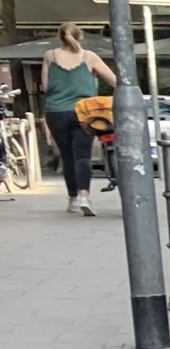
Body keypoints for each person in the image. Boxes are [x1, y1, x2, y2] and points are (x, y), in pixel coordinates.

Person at [39, 22, 114, 216]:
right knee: (82, 155)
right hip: (84, 112)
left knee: (67, 156)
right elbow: (115, 80)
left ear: (60, 37)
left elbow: (46, 87)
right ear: (80, 37)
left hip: (56, 112)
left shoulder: (50, 56)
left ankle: (72, 198)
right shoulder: (90, 57)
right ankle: (84, 196)